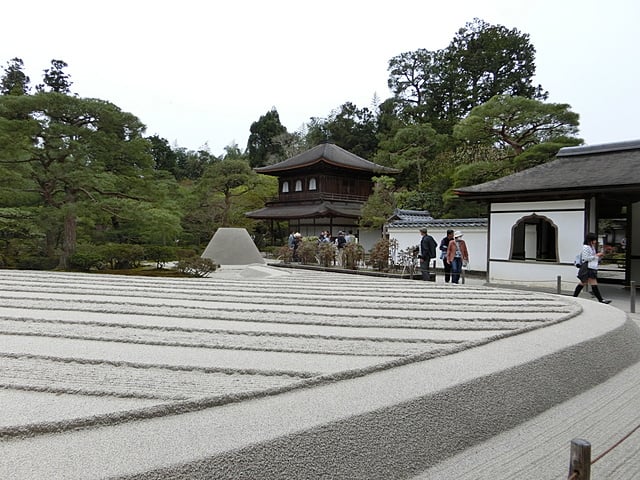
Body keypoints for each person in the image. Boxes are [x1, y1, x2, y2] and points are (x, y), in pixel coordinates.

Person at [573, 232, 611, 304]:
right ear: (590, 240)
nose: (595, 241)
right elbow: (586, 258)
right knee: (592, 283)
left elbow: (592, 257)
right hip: (588, 267)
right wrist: (597, 255)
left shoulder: (591, 247)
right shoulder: (586, 247)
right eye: (594, 240)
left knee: (583, 282)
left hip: (591, 266)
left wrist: (598, 256)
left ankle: (574, 297)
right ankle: (601, 300)